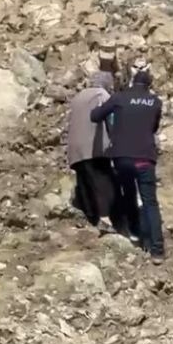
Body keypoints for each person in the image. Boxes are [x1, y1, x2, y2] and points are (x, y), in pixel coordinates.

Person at [91, 71, 165, 263]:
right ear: (149, 85)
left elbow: (96, 116)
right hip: (144, 158)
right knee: (150, 202)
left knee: (128, 194)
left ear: (133, 82)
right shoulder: (155, 102)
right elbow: (154, 128)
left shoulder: (120, 97)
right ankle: (157, 250)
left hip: (122, 157)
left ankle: (135, 235)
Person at [66, 71, 120, 232]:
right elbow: (112, 120)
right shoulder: (101, 95)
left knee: (85, 182)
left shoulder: (78, 97)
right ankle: (105, 219)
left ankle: (89, 219)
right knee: (103, 182)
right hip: (94, 146)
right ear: (107, 84)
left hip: (75, 149)